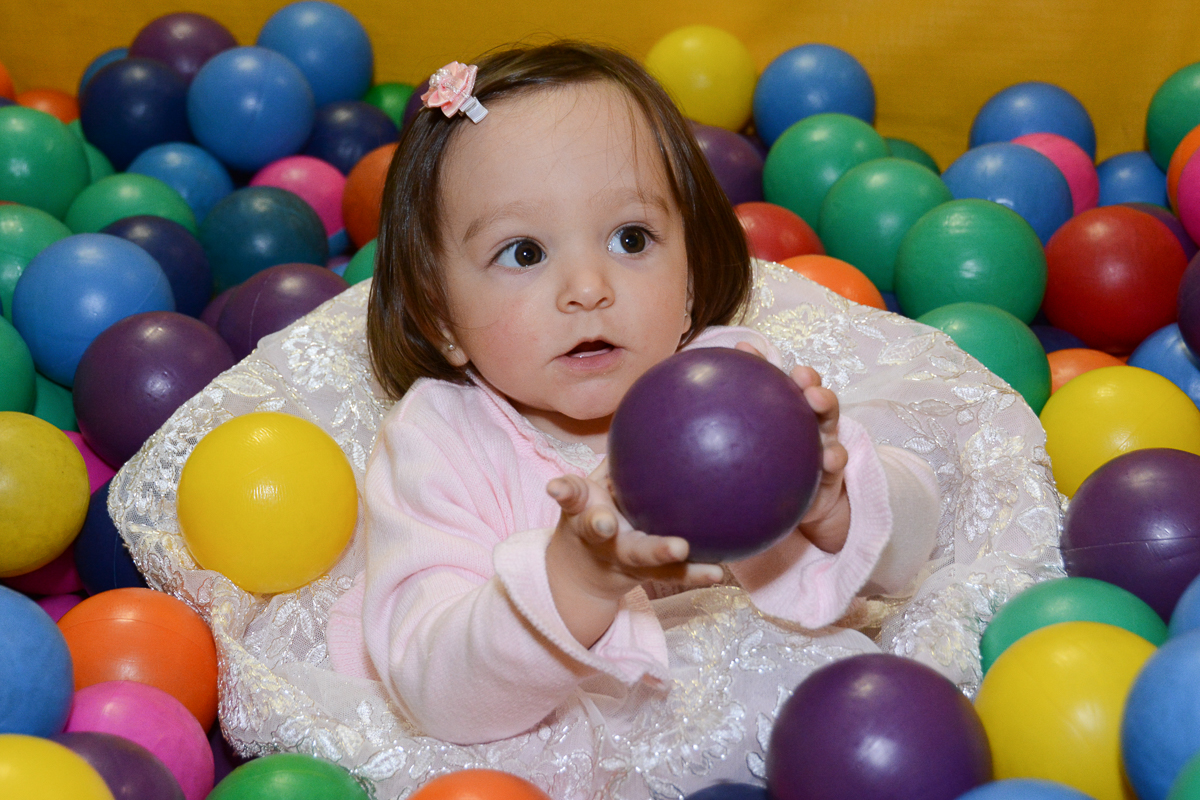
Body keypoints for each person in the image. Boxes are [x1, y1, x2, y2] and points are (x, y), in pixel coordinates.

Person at [109, 41, 1063, 800]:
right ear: (440, 316)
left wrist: (832, 496)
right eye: (524, 252)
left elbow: (911, 557)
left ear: (692, 271)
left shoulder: (735, 380)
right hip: (553, 750)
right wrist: (573, 579)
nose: (589, 287)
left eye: (632, 238)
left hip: (801, 724)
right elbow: (435, 680)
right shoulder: (441, 442)